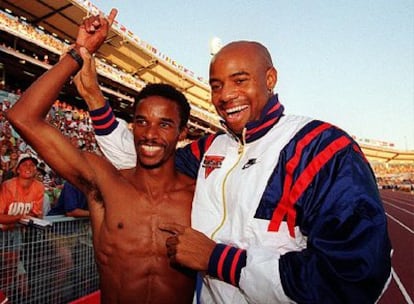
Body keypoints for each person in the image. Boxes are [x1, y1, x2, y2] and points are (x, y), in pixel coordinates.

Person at [82, 35, 392, 302]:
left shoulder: (321, 148)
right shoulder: (211, 148)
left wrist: (219, 259)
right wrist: (95, 98)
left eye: (240, 80)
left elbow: (355, 276)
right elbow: (145, 153)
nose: (226, 95)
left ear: (270, 79)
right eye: (216, 85)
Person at [6, 9, 197, 303]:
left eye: (165, 124)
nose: (149, 134)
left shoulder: (201, 196)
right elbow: (23, 117)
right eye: (142, 121)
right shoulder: (104, 183)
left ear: (182, 132)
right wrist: (79, 54)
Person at [0, 153, 44, 299]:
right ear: (18, 169)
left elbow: (36, 215)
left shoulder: (39, 187)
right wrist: (19, 218)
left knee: (12, 269)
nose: (29, 167)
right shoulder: (8, 185)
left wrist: (13, 221)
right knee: (8, 266)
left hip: (16, 231)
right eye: (24, 164)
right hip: (3, 231)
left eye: (32, 165)